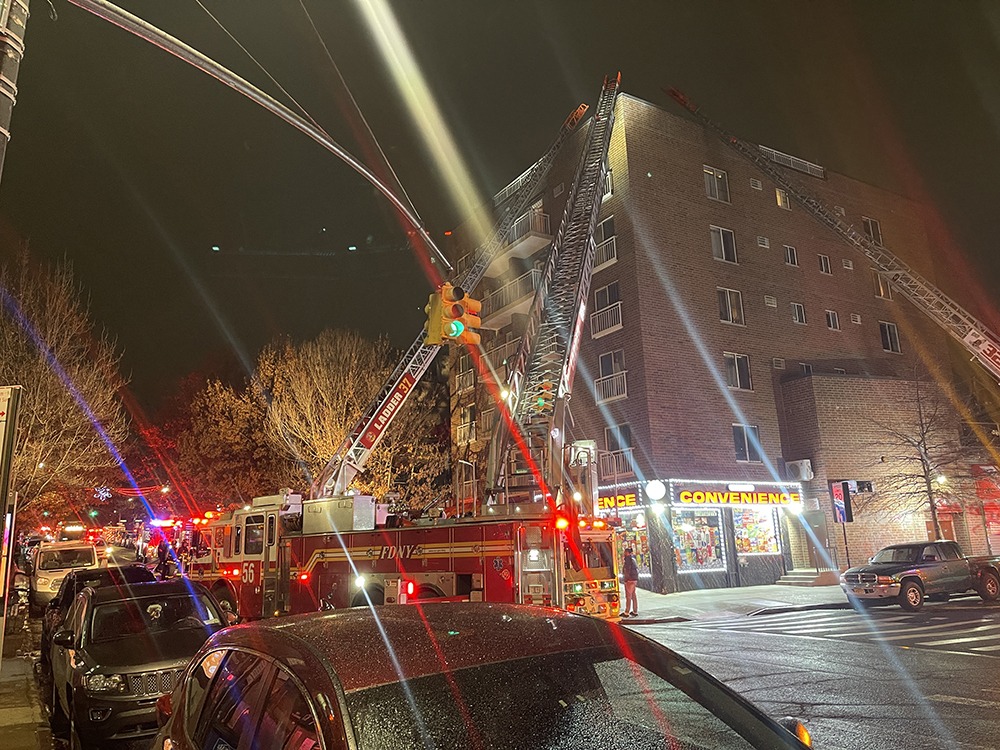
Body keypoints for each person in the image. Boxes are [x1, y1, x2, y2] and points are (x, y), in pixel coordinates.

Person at [621, 547, 639, 618]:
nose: (624, 553)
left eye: (625, 552)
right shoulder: (633, 559)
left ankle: (627, 612)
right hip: (634, 579)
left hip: (630, 580)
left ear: (627, 553)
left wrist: (626, 579)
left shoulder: (628, 560)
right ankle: (635, 611)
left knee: (628, 596)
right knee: (633, 595)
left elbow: (627, 570)